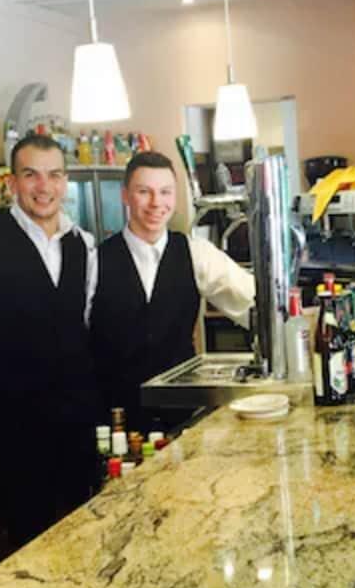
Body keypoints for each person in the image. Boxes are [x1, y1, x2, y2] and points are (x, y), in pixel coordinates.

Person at [0, 135, 100, 548]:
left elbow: (82, 326)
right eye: (31, 175)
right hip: (16, 423)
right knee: (28, 541)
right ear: (12, 183)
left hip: (77, 421)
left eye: (54, 175)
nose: (44, 187)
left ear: (65, 182)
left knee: (86, 533)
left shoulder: (84, 244)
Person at [89, 151, 255, 434]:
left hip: (183, 417)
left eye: (165, 192)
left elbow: (253, 303)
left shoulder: (196, 253)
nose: (156, 202)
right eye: (144, 192)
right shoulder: (94, 260)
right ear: (125, 196)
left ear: (175, 197)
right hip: (115, 421)